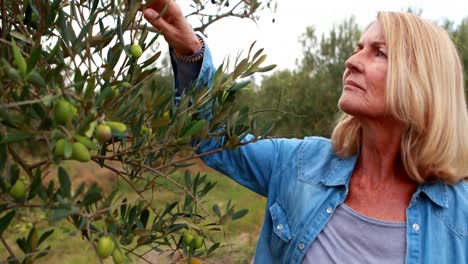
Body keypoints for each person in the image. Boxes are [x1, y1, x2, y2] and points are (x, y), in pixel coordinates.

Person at [142, 1, 468, 263]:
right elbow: (211, 138)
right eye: (358, 47)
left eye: (378, 52)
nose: (352, 60)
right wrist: (188, 50)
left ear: (422, 81)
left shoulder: (460, 215)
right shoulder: (299, 162)